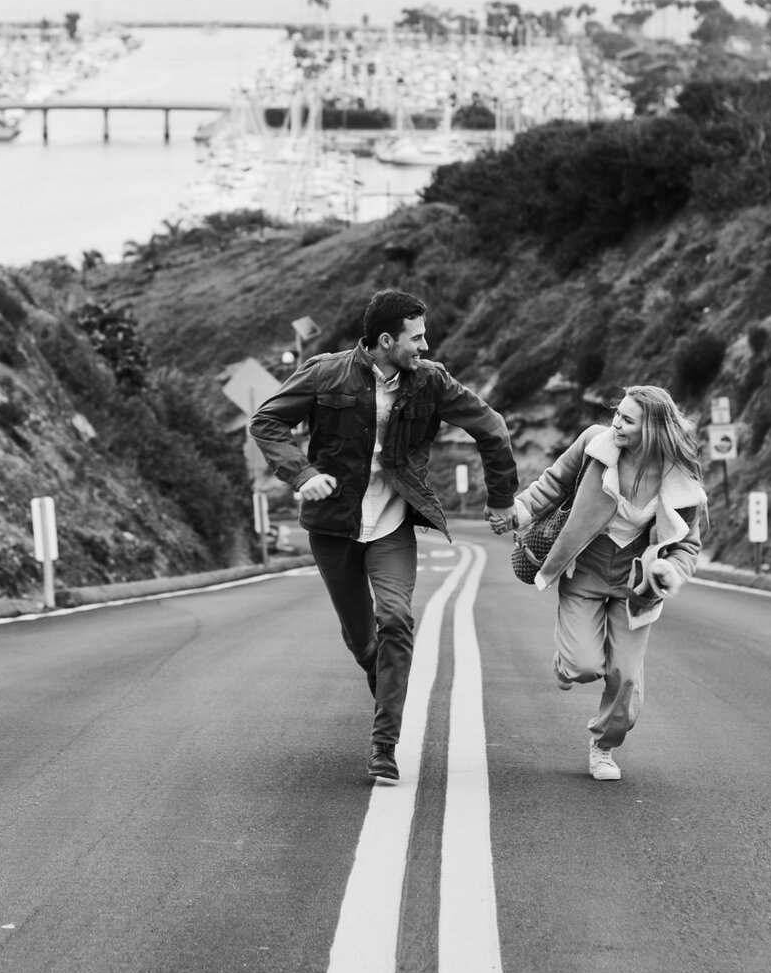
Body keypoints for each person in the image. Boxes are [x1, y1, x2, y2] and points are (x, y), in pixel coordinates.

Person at [251, 289, 518, 784]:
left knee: (395, 619)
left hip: (393, 522)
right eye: (416, 336)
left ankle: (384, 744)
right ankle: (390, 695)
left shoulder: (431, 382)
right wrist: (302, 473)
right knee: (362, 640)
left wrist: (501, 498)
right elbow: (266, 422)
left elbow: (492, 427)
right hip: (334, 526)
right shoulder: (324, 372)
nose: (425, 344)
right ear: (387, 340)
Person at [508, 385, 709, 781]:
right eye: (617, 414)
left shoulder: (680, 479)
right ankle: (568, 660)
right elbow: (552, 484)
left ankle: (603, 747)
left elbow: (688, 546)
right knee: (582, 666)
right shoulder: (595, 444)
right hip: (584, 569)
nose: (616, 423)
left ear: (651, 430)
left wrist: (672, 571)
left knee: (626, 677)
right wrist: (520, 508)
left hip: (636, 584)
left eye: (627, 420)